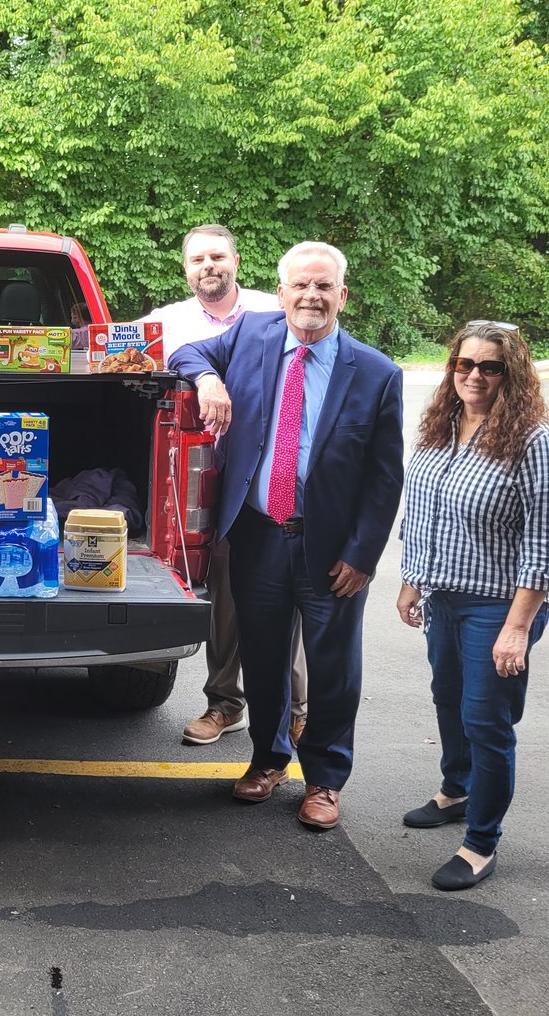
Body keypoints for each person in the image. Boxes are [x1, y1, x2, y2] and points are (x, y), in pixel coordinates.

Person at [170, 241, 403, 830]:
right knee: (265, 657)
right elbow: (187, 348)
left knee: (332, 668)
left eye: (324, 287)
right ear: (280, 293)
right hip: (257, 535)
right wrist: (207, 380)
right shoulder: (250, 336)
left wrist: (364, 555)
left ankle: (325, 778)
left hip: (332, 551)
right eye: (301, 285)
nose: (311, 297)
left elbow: (384, 480)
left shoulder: (377, 374)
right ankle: (269, 759)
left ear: (342, 296)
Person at [396, 322, 548, 891]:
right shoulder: (442, 426)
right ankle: (456, 790)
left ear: (513, 373)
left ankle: (481, 841)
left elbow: (542, 539)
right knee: (448, 699)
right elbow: (422, 508)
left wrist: (517, 627)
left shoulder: (532, 438)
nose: (474, 376)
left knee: (487, 721)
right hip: (443, 595)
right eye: (464, 365)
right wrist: (412, 580)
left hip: (498, 606)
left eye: (490, 367)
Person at [147, 223, 307, 748]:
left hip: (266, 478)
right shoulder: (166, 321)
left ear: (236, 260)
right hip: (195, 486)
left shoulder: (272, 312)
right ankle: (224, 703)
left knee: (289, 594)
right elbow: (116, 353)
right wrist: (208, 378)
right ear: (185, 267)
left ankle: (298, 709)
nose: (208, 266)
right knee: (225, 596)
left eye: (217, 256)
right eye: (197, 260)